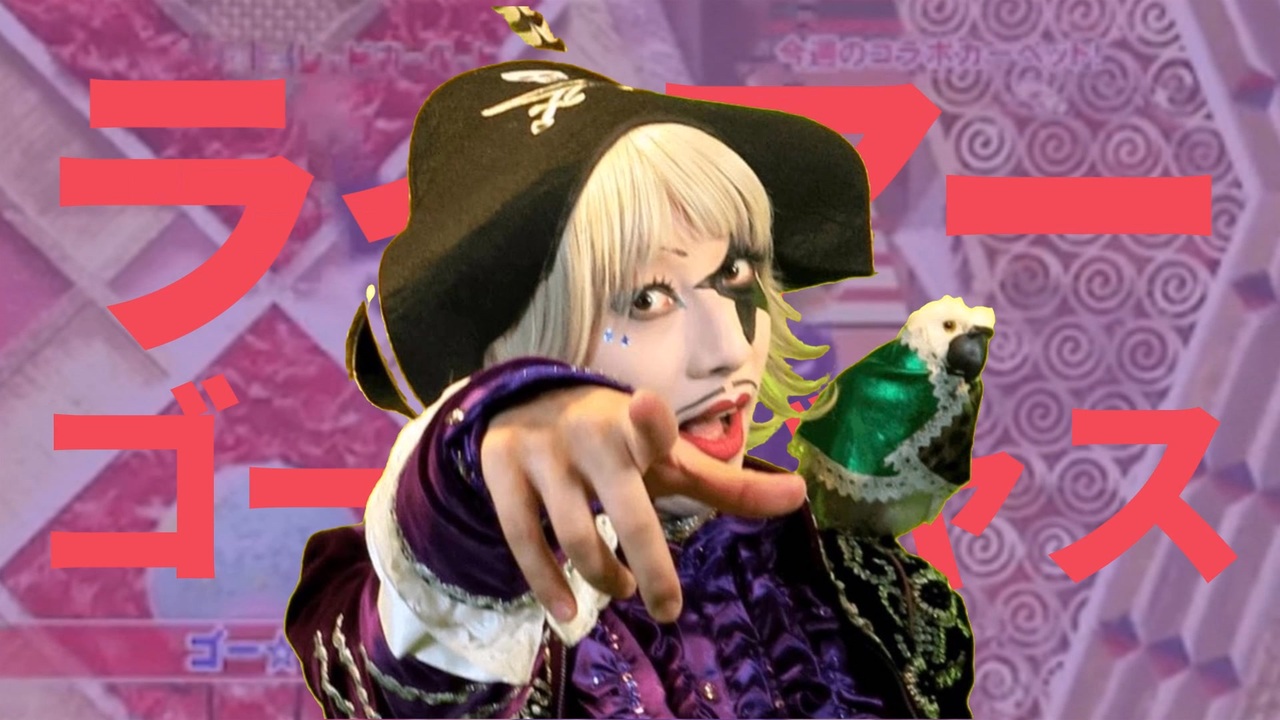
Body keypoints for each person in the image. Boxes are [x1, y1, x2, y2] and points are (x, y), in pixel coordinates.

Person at [286, 60, 974, 719]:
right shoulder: (429, 590)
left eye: (735, 274)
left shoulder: (849, 575)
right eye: (645, 299)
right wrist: (479, 458)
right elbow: (413, 671)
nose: (727, 349)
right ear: (519, 352)